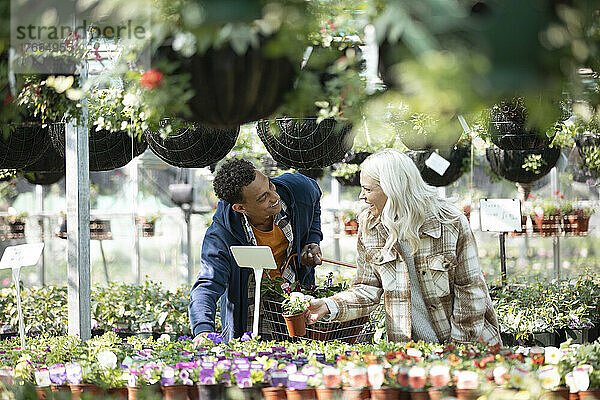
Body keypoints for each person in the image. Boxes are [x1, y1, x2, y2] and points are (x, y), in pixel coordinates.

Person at [305, 149, 501, 345]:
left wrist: (457, 352)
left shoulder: (449, 221)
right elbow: (367, 288)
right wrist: (328, 305)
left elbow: (470, 292)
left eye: (367, 189)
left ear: (392, 189)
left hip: (466, 344)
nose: (361, 196)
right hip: (411, 349)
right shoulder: (370, 226)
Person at [189, 159, 323, 344]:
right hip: (251, 305)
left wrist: (312, 240)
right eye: (263, 198)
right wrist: (203, 330)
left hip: (294, 296)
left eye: (270, 186)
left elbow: (315, 197)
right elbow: (208, 283)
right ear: (240, 208)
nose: (274, 197)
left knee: (300, 353)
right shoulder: (222, 235)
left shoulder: (298, 189)